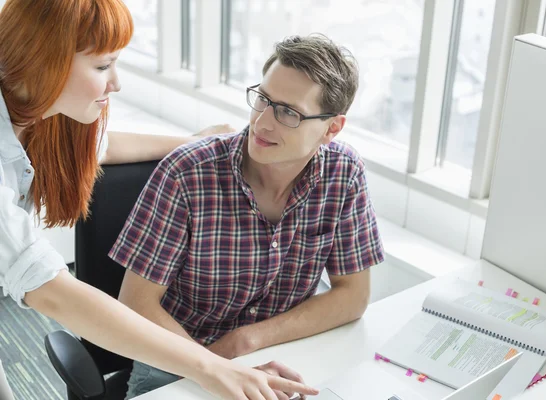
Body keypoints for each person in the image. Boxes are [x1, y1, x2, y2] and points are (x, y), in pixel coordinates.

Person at [0, 1, 318, 400]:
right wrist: (212, 368)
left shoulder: (36, 111)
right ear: (42, 58)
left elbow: (102, 146)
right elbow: (46, 286)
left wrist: (189, 143)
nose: (115, 83)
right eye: (102, 67)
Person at [111, 33, 385, 398]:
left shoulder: (343, 173)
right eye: (263, 100)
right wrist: (219, 366)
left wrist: (246, 340)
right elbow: (135, 304)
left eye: (288, 112)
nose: (263, 123)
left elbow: (352, 296)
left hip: (279, 357)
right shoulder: (187, 173)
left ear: (331, 128)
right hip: (177, 365)